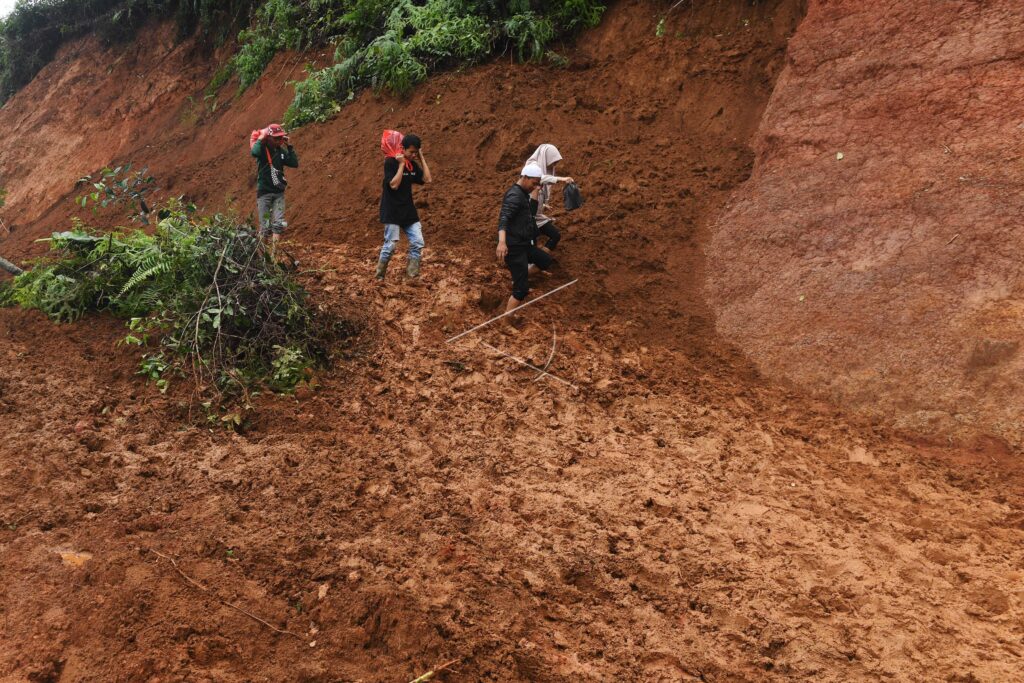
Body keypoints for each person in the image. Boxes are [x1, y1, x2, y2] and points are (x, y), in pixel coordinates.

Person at [497, 163, 553, 313]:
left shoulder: (522, 193)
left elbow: (531, 211)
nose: (535, 187)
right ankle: (505, 322)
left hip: (525, 245)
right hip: (514, 248)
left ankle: (520, 276)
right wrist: (502, 242)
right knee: (521, 290)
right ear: (525, 177)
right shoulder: (514, 195)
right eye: (534, 183)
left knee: (545, 260)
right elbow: (503, 219)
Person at [377, 134, 433, 279]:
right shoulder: (390, 162)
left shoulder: (413, 164)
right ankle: (379, 276)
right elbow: (394, 185)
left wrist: (421, 158)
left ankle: (412, 276)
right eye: (411, 152)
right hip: (392, 210)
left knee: (418, 242)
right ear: (403, 148)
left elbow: (427, 179)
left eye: (416, 152)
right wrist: (401, 164)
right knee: (390, 245)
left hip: (407, 210)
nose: (413, 155)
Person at [251, 123, 299, 258]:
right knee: (265, 227)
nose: (279, 141)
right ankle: (262, 259)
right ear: (269, 138)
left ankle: (273, 256)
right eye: (276, 139)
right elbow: (254, 152)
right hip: (264, 194)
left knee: (278, 224)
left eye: (281, 138)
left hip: (278, 194)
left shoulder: (280, 151)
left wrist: (289, 146)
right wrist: (261, 138)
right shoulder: (262, 149)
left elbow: (294, 163)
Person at [524, 144, 574, 252]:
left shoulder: (544, 168)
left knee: (555, 235)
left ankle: (539, 261)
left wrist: (543, 204)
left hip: (537, 216)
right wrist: (561, 179)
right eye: (554, 161)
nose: (554, 165)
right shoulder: (532, 166)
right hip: (527, 215)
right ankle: (533, 264)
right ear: (547, 157)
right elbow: (540, 179)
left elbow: (540, 189)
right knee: (531, 242)